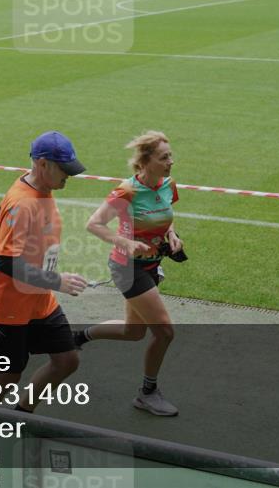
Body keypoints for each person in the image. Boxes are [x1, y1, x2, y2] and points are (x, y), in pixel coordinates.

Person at [76, 131, 182, 416]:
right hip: (127, 267)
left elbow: (165, 218)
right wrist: (126, 242)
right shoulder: (127, 191)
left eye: (170, 155)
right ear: (145, 161)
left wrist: (172, 236)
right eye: (164, 157)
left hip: (151, 264)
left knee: (133, 331)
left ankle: (78, 338)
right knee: (164, 332)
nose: (171, 161)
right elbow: (94, 224)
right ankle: (147, 393)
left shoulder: (168, 186)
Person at [0, 131, 89, 412]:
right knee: (8, 375)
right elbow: (6, 261)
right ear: (42, 164)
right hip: (9, 305)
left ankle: (22, 416)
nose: (69, 175)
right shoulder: (23, 203)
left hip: (39, 300)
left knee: (67, 359)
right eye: (64, 169)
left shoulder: (42, 189)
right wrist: (57, 280)